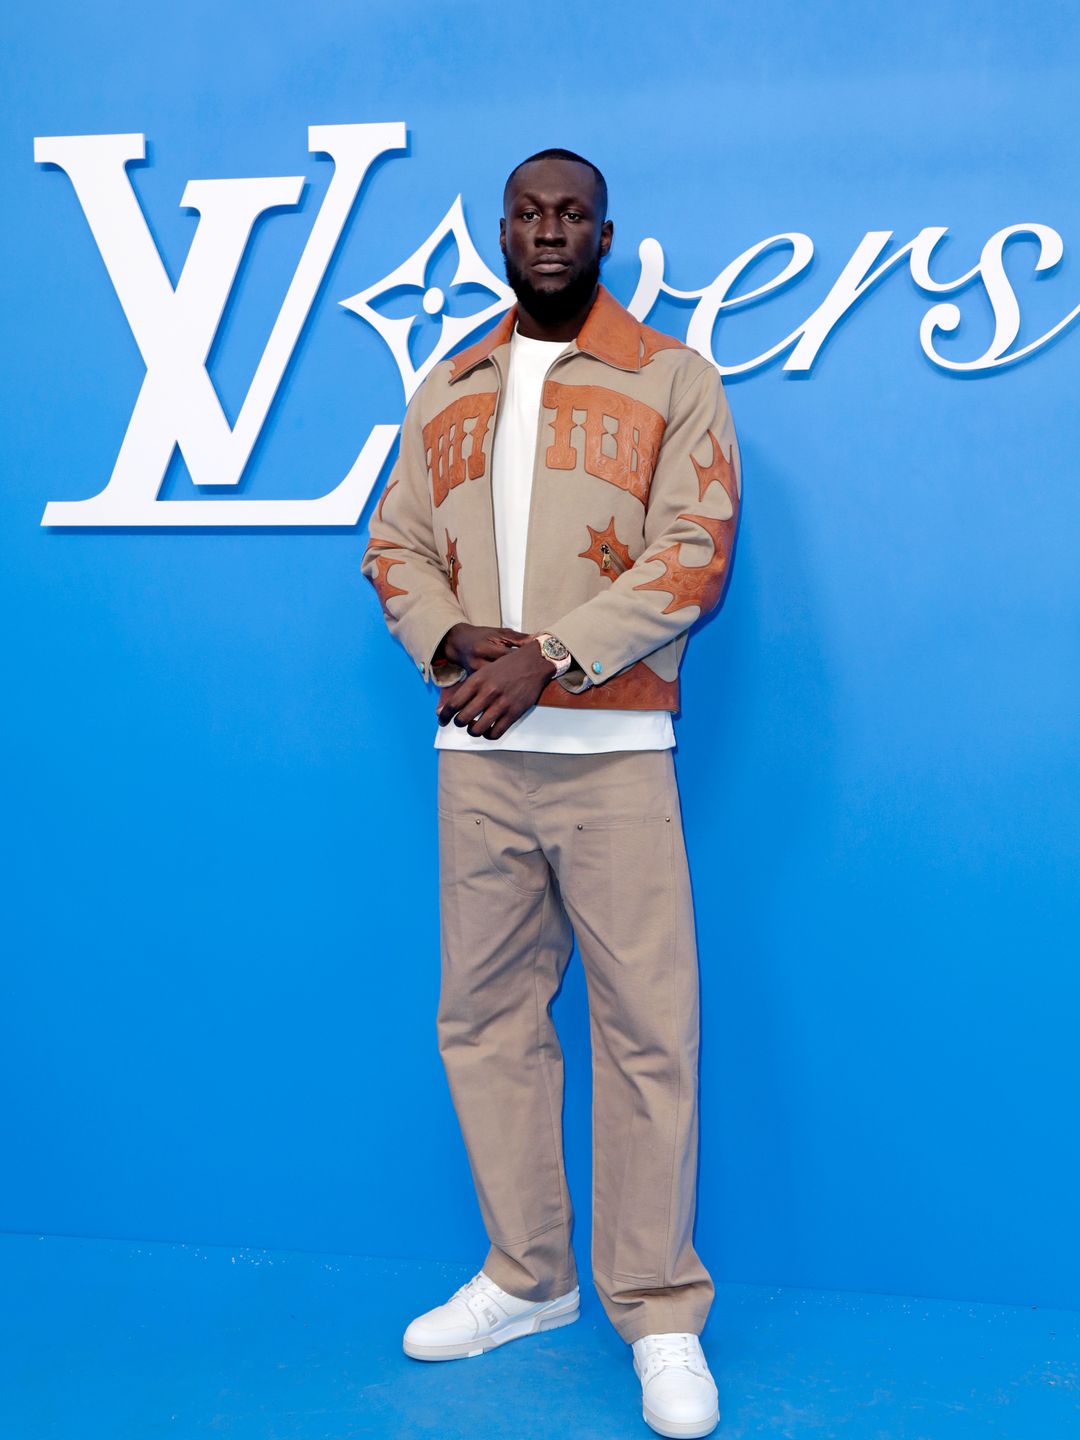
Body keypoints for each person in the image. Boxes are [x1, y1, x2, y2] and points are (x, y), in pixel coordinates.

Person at [360, 147, 742, 1440]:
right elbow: (393, 543)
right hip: (477, 767)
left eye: (572, 212)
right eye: (527, 212)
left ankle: (660, 1309)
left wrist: (552, 658)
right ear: (498, 230)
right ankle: (527, 1278)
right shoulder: (449, 382)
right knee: (484, 1021)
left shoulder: (670, 379)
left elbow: (694, 552)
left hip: (615, 761)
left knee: (647, 1031)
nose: (549, 229)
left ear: (607, 231)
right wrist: (452, 644)